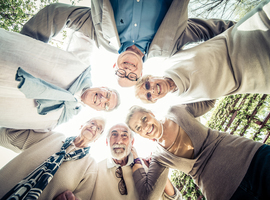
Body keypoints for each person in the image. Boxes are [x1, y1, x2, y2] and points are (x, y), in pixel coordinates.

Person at [20, 0, 236, 87]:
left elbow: (58, 13)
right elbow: (210, 30)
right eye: (133, 77)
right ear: (142, 71)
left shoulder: (102, 38)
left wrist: (24, 52)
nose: (127, 70)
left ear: (115, 66)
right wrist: (250, 30)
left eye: (121, 74)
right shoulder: (169, 47)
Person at [126, 100, 270, 200]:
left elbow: (209, 101)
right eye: (138, 127)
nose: (144, 126)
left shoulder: (176, 111)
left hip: (253, 160)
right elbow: (149, 196)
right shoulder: (159, 158)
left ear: (151, 113)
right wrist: (136, 159)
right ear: (138, 134)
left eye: (144, 118)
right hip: (227, 195)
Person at [135, 0, 270, 104]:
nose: (151, 90)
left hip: (253, 33)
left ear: (150, 77)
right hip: (262, 77)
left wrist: (237, 29)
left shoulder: (171, 57)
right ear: (154, 100)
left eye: (147, 85)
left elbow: (200, 29)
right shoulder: (185, 101)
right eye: (148, 95)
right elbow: (210, 104)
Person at [0, 28, 120, 131]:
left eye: (105, 105)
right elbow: (86, 27)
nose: (102, 99)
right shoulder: (82, 64)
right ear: (104, 87)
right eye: (107, 94)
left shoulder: (57, 120)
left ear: (98, 110)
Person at [58, 123, 181, 200]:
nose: (119, 141)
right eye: (114, 135)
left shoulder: (147, 164)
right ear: (107, 142)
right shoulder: (94, 169)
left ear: (132, 142)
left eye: (124, 136)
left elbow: (174, 197)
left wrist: (158, 172)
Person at [0, 117, 106, 200]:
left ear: (97, 139)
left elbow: (81, 197)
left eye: (99, 129)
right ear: (82, 125)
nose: (93, 127)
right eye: (92, 123)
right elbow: (10, 136)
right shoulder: (54, 136)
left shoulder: (91, 165)